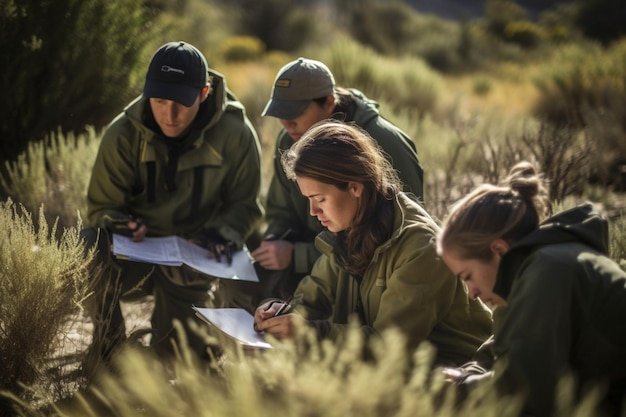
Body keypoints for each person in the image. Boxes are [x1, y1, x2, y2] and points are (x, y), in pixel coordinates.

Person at [81, 41, 263, 366]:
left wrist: (218, 235)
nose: (169, 114)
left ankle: (227, 356)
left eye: (181, 102)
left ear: (204, 93)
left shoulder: (236, 134)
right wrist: (121, 224)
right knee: (88, 247)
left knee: (177, 358)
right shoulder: (123, 134)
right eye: (159, 100)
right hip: (138, 257)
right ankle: (108, 355)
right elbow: (100, 209)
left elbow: (245, 205)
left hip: (195, 261)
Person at [253, 121, 492, 367]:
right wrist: (279, 313)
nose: (313, 211)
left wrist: (311, 332)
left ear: (355, 187)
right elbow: (315, 297)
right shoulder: (349, 228)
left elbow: (387, 347)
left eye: (320, 199)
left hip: (454, 378)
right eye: (309, 200)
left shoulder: (421, 248)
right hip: (391, 373)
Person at [436, 161, 626, 417]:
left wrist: (460, 388)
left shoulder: (549, 271)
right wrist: (465, 376)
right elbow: (502, 351)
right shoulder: (525, 278)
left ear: (499, 250)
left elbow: (526, 391)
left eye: (468, 276)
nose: (472, 293)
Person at [248, 57, 425, 309]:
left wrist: (297, 255)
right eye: (281, 114)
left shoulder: (385, 142)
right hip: (320, 263)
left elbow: (401, 233)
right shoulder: (289, 139)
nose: (286, 124)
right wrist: (276, 240)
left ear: (329, 102)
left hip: (367, 269)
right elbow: (280, 211)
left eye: (295, 114)